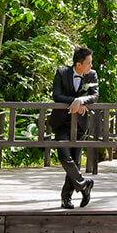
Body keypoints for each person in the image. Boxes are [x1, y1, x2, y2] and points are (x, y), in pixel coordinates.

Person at [50, 46, 99, 209]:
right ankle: (84, 185)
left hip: (80, 123)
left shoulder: (92, 75)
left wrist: (82, 101)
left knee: (76, 161)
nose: (91, 66)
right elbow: (56, 95)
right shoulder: (62, 73)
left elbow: (95, 95)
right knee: (65, 156)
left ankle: (66, 198)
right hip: (62, 122)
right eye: (88, 63)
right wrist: (75, 101)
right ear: (79, 64)